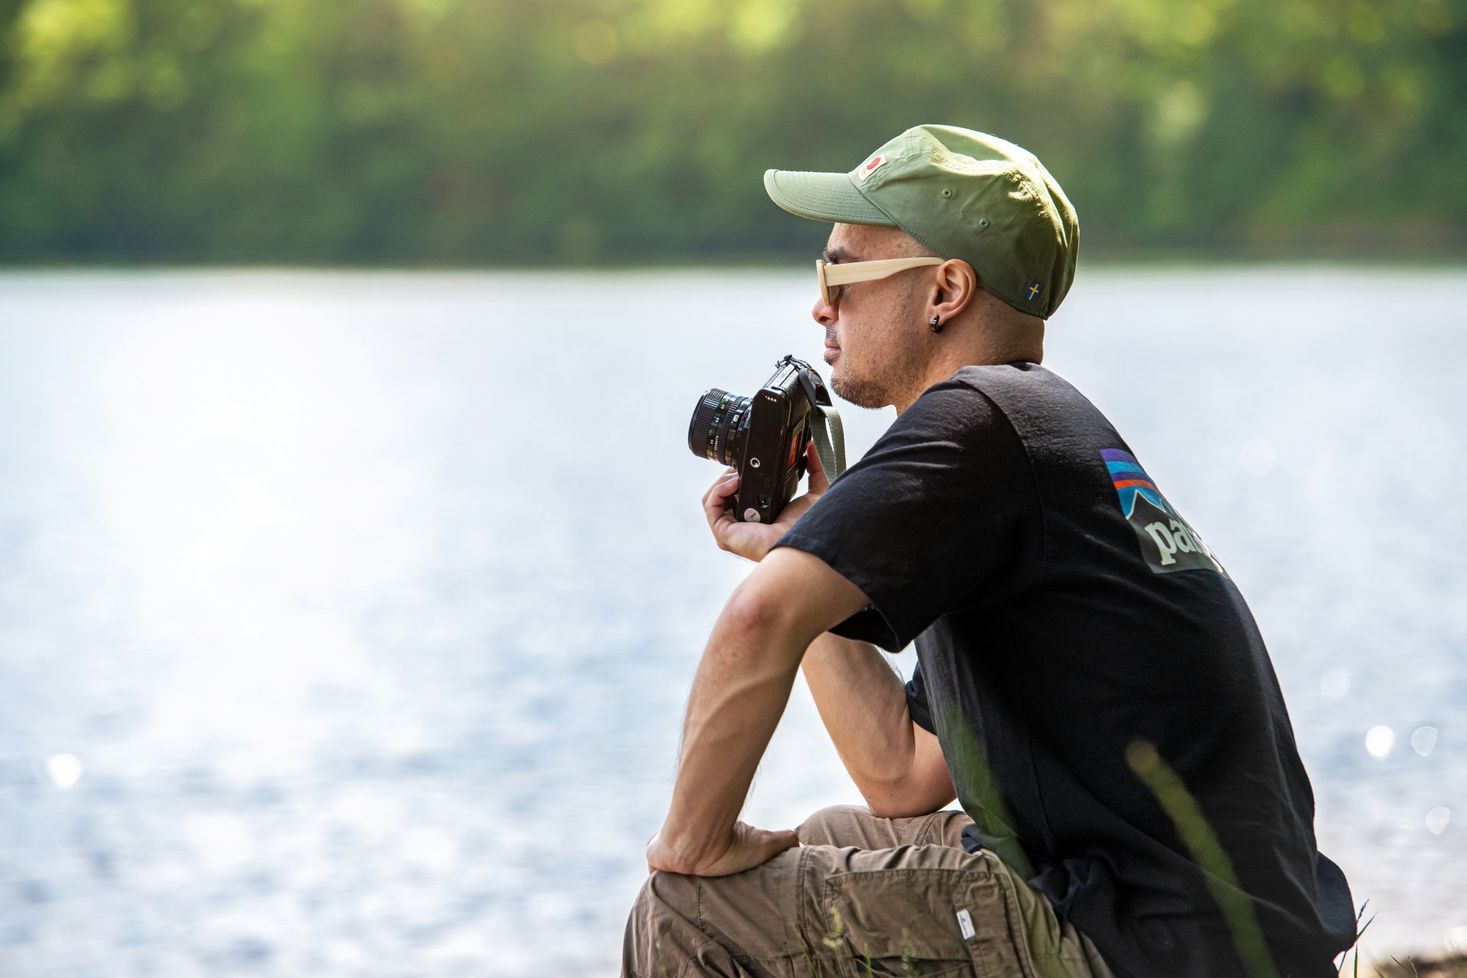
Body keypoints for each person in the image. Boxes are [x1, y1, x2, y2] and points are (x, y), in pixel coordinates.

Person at [622, 124, 1356, 978]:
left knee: (686, 910)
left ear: (945, 291)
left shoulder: (976, 424)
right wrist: (799, 549)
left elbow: (755, 623)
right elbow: (900, 774)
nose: (820, 306)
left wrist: (692, 843)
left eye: (839, 275)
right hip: (1207, 933)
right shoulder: (1033, 431)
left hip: (1149, 945)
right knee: (833, 836)